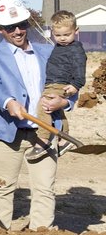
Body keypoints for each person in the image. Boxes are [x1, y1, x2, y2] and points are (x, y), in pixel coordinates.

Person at [0, 0, 72, 231]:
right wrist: (8, 101)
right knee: (2, 187)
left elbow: (69, 84)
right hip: (7, 132)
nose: (18, 31)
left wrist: (65, 101)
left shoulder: (49, 51)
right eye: (11, 27)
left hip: (45, 133)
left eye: (22, 24)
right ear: (0, 29)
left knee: (44, 188)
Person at [29, 9, 87, 159]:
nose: (62, 38)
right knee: (57, 111)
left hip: (60, 84)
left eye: (66, 35)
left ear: (76, 31)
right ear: (52, 33)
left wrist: (76, 85)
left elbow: (80, 69)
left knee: (43, 108)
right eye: (58, 35)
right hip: (52, 83)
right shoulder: (60, 47)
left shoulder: (76, 49)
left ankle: (43, 140)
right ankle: (64, 140)